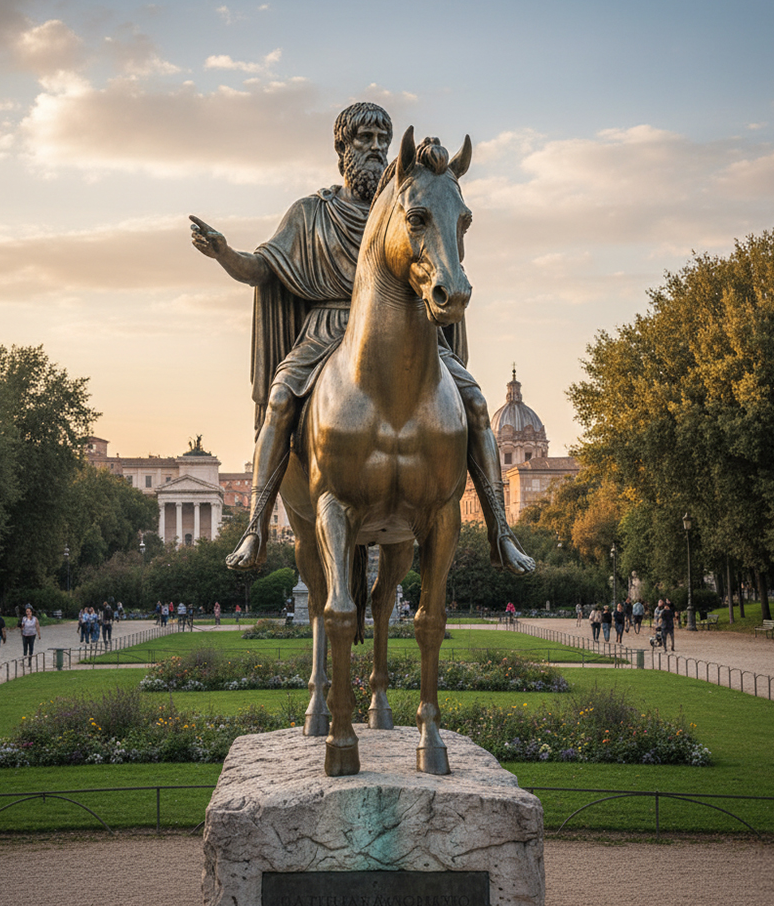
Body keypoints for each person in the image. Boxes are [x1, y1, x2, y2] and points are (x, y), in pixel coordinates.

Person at [191, 101, 534, 579]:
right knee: (279, 400)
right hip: (327, 332)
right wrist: (225, 252)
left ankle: (501, 529)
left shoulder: (405, 208)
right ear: (342, 148)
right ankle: (255, 527)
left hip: (407, 335)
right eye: (364, 140)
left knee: (474, 402)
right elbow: (261, 269)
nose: (375, 149)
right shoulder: (311, 213)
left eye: (381, 140)